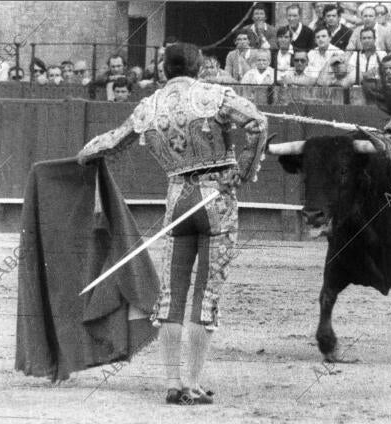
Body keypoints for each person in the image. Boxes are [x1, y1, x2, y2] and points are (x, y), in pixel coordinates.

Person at [76, 42, 268, 406]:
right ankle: (193, 385)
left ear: (164, 70)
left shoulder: (149, 106)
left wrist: (82, 156)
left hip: (178, 200)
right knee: (206, 294)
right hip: (215, 199)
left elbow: (112, 143)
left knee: (173, 294)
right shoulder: (215, 95)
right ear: (197, 68)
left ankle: (172, 382)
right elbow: (258, 122)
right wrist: (240, 171)